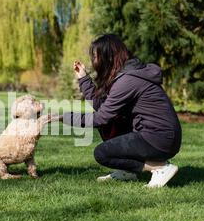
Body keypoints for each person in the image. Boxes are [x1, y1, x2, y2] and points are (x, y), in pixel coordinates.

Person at [61, 34, 182, 188]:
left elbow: (100, 118)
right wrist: (83, 78)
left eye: (96, 56)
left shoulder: (127, 80)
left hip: (159, 138)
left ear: (108, 57)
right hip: (161, 136)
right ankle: (128, 171)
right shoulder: (127, 75)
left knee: (102, 153)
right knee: (110, 126)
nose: (94, 61)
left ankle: (160, 168)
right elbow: (102, 108)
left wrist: (64, 117)